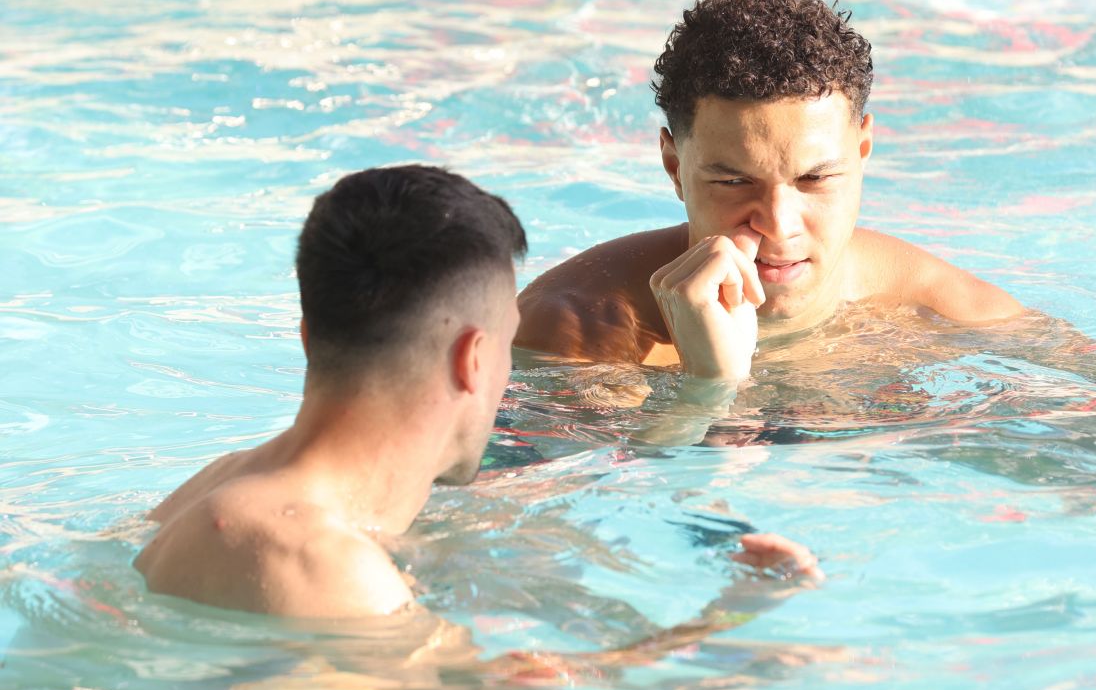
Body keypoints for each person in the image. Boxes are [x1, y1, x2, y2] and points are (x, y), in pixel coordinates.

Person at [135, 164, 818, 620]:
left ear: (309, 335)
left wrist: (704, 399)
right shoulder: (329, 568)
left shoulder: (217, 487)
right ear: (474, 359)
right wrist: (726, 622)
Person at [515, 0, 1023, 382]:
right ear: (674, 167)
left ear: (862, 150)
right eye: (734, 182)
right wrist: (710, 387)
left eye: (815, 178)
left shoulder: (944, 311)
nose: (778, 225)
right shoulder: (575, 334)